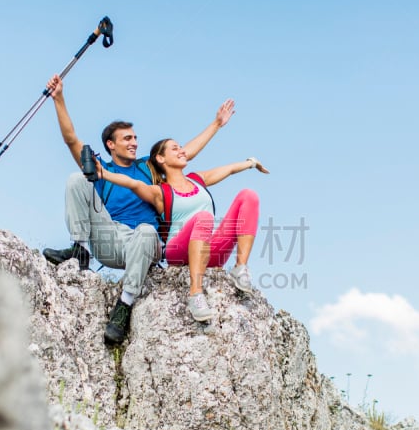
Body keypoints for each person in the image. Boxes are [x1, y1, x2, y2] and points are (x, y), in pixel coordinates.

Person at [42, 74, 236, 343]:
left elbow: (185, 153)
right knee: (76, 179)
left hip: (145, 244)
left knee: (147, 230)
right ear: (111, 144)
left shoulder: (147, 167)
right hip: (110, 240)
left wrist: (216, 124)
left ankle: (124, 306)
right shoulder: (103, 171)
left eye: (135, 138)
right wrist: (59, 98)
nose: (134, 142)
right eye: (127, 139)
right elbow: (71, 139)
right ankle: (80, 251)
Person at [95, 138, 269, 322]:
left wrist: (252, 163)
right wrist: (103, 173)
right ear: (161, 158)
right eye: (175, 149)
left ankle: (240, 268)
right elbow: (133, 184)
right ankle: (196, 294)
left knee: (248, 196)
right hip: (177, 251)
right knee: (204, 217)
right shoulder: (160, 192)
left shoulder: (197, 180)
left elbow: (230, 170)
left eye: (181, 148)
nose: (182, 151)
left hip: (207, 250)